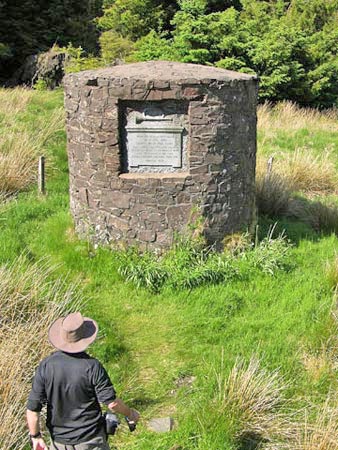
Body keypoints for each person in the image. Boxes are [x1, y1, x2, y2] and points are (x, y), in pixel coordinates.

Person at [26, 312, 140, 450]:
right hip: (91, 440)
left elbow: (33, 409)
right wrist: (130, 414)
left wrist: (36, 437)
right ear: (85, 338)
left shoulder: (46, 366)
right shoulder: (92, 366)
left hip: (58, 443)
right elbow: (113, 404)